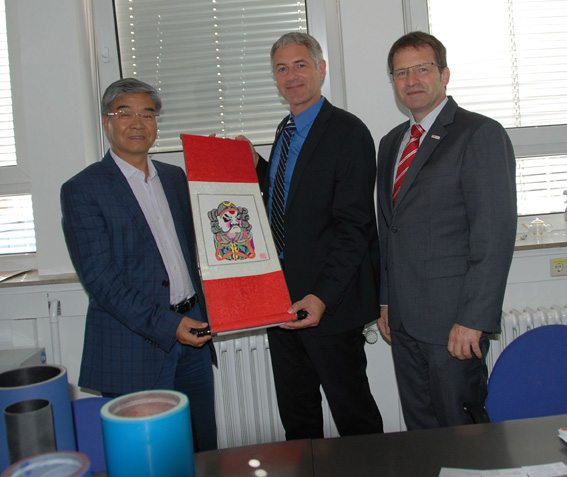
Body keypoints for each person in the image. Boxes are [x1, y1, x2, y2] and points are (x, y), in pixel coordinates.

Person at [238, 32, 383, 439]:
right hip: (280, 302)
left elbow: (354, 228)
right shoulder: (286, 130)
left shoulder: (348, 132)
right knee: (298, 421)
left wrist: (320, 298)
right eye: (281, 69)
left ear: (321, 69)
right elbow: (291, 198)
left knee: (355, 420)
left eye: (300, 65)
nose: (291, 76)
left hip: (328, 306)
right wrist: (257, 166)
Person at [61, 78, 217, 451]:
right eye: (124, 113)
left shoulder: (176, 178)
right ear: (106, 122)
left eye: (147, 114)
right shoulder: (83, 189)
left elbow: (203, 251)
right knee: (147, 457)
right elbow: (102, 281)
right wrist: (170, 325)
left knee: (202, 448)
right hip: (132, 346)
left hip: (192, 333)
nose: (137, 122)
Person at [376, 31, 517, 429]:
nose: (412, 80)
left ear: (445, 73)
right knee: (421, 431)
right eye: (401, 73)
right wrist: (386, 301)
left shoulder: (479, 134)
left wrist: (474, 318)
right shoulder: (391, 144)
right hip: (403, 321)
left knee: (462, 433)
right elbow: (390, 230)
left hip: (454, 323)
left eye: (422, 68)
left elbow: (494, 235)